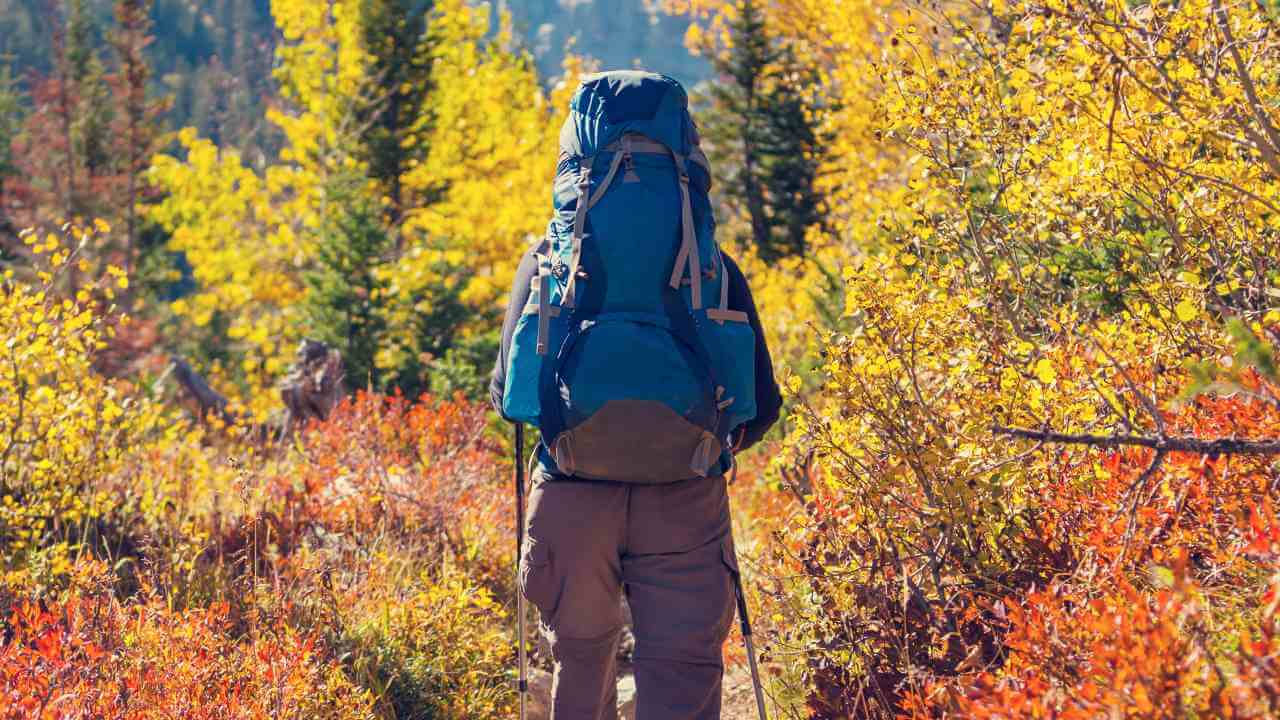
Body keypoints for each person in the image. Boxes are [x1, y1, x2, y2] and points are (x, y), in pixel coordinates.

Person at [490, 242, 781, 719]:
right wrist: (698, 446)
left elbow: (508, 397)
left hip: (570, 492)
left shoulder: (547, 260)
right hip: (685, 496)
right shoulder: (711, 265)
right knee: (681, 668)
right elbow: (763, 406)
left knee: (581, 659)